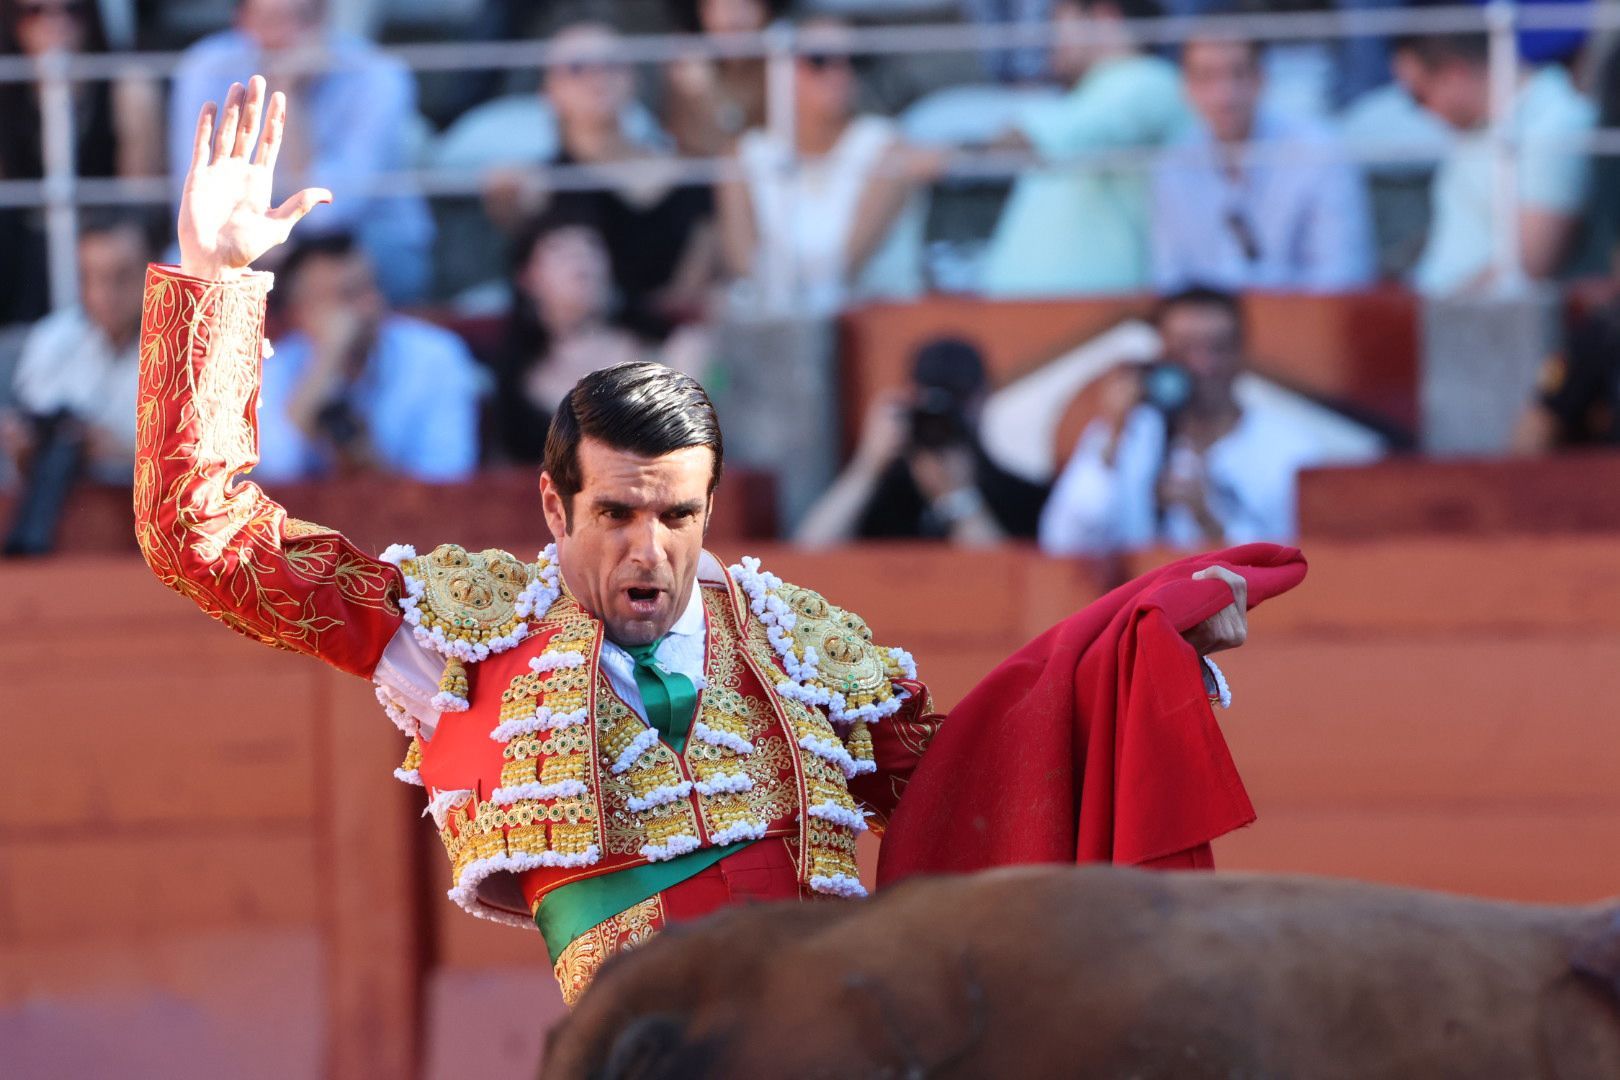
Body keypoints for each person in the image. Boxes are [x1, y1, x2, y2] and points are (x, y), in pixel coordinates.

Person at [135, 76, 1253, 1007]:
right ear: (550, 508)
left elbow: (976, 776)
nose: (649, 550)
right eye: (615, 513)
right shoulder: (457, 630)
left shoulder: (795, 640)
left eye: (677, 516)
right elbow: (200, 534)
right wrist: (216, 279)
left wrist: (1143, 670)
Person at [1039, 287, 1379, 554]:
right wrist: (1114, 437)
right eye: (1185, 349)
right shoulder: (1125, 434)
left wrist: (1208, 518)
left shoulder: (1290, 449)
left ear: (1242, 353)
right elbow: (1063, 542)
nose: (1202, 365)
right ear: (1161, 355)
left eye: (1217, 348)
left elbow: (1296, 568)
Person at [168, 0, 434, 304]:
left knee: (330, 275)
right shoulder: (205, 67)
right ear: (241, 20)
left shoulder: (379, 76)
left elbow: (328, 219)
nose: (287, 36)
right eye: (271, 21)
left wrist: (287, 93)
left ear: (325, 15)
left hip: (365, 243)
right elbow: (193, 201)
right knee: (185, 261)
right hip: (253, 235)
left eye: (302, 19)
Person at [482, 21, 719, 335]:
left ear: (632, 77)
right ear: (548, 91)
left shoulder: (688, 173)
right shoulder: (539, 186)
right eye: (578, 68)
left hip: (674, 343)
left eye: (611, 64)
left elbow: (694, 285)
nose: (598, 77)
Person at [718, 16, 941, 317]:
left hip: (871, 330)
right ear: (781, 70)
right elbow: (742, 267)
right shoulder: (744, 155)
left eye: (853, 60)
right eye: (819, 60)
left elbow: (843, 266)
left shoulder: (885, 147)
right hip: (774, 327)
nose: (840, 72)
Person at [978, 0, 1192, 298]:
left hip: (1094, 319)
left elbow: (1035, 141)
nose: (1047, 39)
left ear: (1104, 16)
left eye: (1056, 22)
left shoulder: (1148, 80)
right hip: (1038, 314)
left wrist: (949, 156)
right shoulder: (1091, 94)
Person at [488, 204, 711, 464]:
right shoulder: (514, 383)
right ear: (527, 277)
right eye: (560, 249)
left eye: (591, 246)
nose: (581, 258)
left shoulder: (677, 352)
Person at [1152, 33, 1374, 293]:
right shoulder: (1174, 164)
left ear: (1262, 78)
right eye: (1206, 77)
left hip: (1302, 325)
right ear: (1186, 87)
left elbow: (1341, 278)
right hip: (1208, 329)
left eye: (1238, 74)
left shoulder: (1320, 153)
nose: (1225, 95)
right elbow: (1169, 280)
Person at [253, 232, 483, 483]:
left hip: (410, 518)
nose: (369, 306)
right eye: (347, 296)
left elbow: (449, 477)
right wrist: (324, 365)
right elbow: (272, 476)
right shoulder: (270, 371)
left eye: (370, 287)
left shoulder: (435, 355)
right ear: (299, 313)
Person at [795, 337, 1049, 547]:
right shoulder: (884, 493)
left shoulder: (1022, 497)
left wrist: (958, 498)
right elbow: (809, 557)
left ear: (984, 396)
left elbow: (1010, 580)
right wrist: (868, 465)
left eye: (959, 399)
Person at [1, 211, 156, 554]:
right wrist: (26, 444)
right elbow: (38, 437)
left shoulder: (184, 348)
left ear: (153, 274)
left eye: (122, 276)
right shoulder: (52, 339)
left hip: (158, 533)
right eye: (93, 277)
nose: (106, 293)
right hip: (60, 528)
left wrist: (117, 451)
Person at [0, 0, 162, 326]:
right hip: (21, 246)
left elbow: (138, 203)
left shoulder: (126, 89)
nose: (55, 24)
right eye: (35, 13)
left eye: (71, 11)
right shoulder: (7, 89)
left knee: (111, 258)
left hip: (102, 235)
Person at [1400, 27, 1595, 295]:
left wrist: (1424, 318)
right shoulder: (1483, 125)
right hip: (1441, 314)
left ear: (1456, 73)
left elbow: (1528, 266)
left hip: (1477, 325)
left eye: (1419, 96)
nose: (1421, 113)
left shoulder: (1553, 123)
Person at [663, 0, 787, 157]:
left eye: (744, 5)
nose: (733, 19)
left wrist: (708, 93)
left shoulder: (780, 67)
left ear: (764, 10)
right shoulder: (687, 63)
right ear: (703, 12)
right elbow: (689, 146)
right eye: (722, 7)